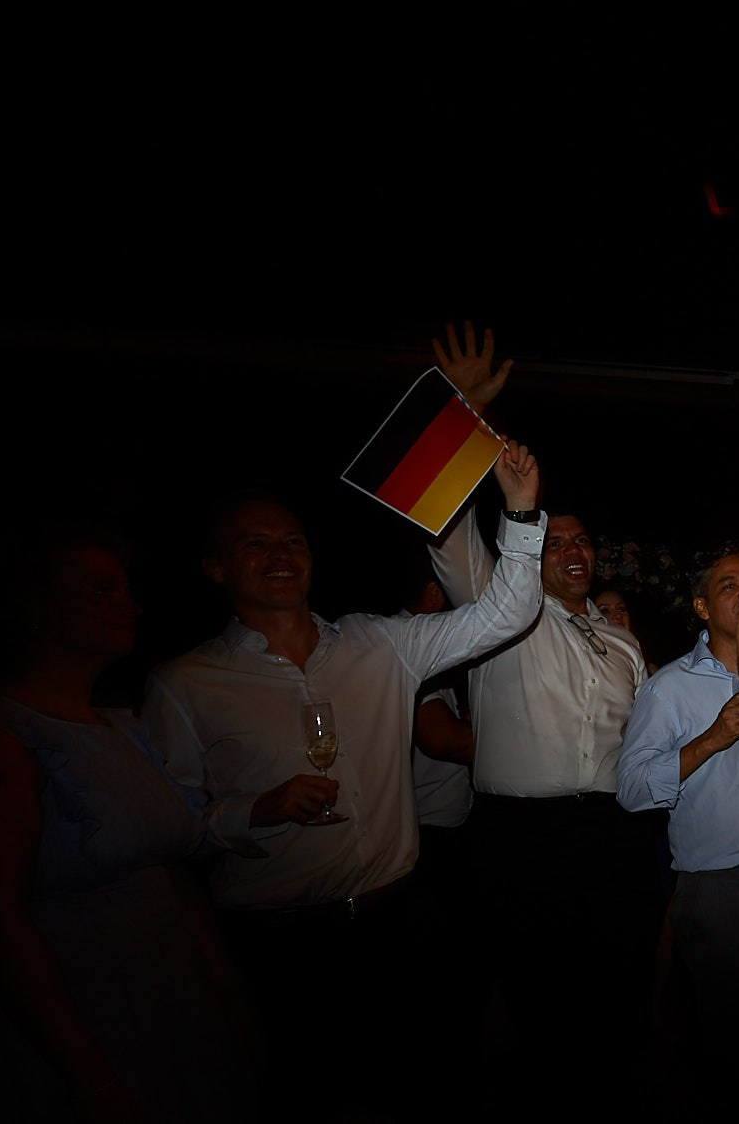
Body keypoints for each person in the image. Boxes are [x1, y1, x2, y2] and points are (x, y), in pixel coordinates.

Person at [141, 445, 544, 1118]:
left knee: (432, 1079)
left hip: (400, 922)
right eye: (255, 543)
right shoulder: (185, 684)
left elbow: (507, 611)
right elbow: (173, 830)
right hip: (283, 947)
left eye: (293, 540)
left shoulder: (380, 643)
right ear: (216, 567)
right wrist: (253, 809)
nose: (280, 553)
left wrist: (522, 508)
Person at [0, 527, 256, 1123]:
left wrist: (225, 987)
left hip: (176, 1009)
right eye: (101, 589)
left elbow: (168, 872)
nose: (130, 605)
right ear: (35, 607)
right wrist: (86, 1073)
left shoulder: (122, 727)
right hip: (92, 1022)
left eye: (125, 589)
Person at [428, 325, 658, 1091]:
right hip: (522, 842)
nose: (572, 549)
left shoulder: (621, 642)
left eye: (583, 540)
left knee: (621, 1010)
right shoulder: (500, 613)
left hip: (615, 837)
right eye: (554, 538)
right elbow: (444, 524)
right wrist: (462, 412)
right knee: (540, 1021)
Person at [617, 544, 739, 1116]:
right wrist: (713, 739)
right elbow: (631, 789)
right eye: (729, 585)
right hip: (723, 890)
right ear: (700, 606)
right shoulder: (670, 688)